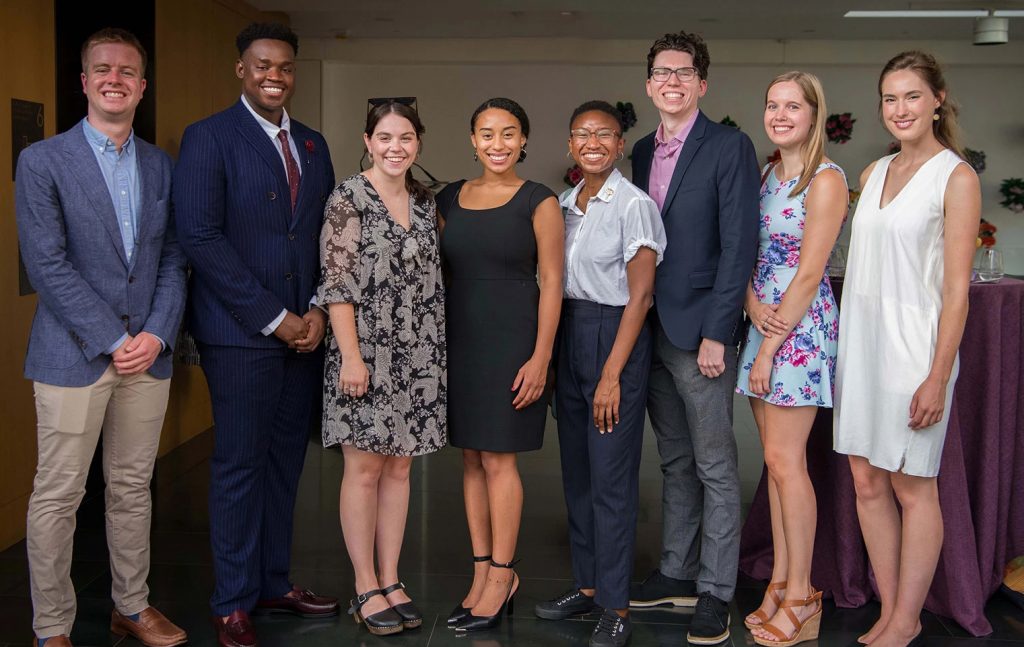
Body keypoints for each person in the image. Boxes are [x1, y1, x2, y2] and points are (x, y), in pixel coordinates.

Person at [15, 27, 187, 647]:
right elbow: (46, 264)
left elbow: (171, 257)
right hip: (72, 355)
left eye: (128, 71)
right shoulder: (41, 161)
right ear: (84, 82)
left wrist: (158, 334)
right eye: (102, 69)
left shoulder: (159, 165)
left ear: (142, 87)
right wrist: (114, 340)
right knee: (58, 494)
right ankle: (52, 627)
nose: (115, 78)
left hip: (148, 357)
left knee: (131, 487)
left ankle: (131, 606)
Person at [173, 22, 339, 647]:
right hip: (243, 335)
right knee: (240, 466)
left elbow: (326, 237)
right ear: (241, 70)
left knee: (285, 465)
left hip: (306, 334)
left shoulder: (315, 145)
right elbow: (201, 238)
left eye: (286, 67)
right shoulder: (208, 138)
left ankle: (274, 581)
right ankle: (232, 600)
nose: (276, 75)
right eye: (263, 65)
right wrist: (275, 316)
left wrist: (319, 310)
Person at [834, 51, 980, 647]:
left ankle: (908, 616)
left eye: (912, 96)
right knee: (867, 482)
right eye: (890, 98)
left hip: (915, 349)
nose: (900, 109)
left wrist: (937, 375)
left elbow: (956, 292)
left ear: (937, 100)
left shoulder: (957, 177)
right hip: (861, 343)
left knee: (911, 485)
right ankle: (896, 611)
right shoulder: (871, 173)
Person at [629, 30, 760, 645]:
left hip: (699, 330)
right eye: (662, 71)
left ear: (701, 84)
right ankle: (677, 571)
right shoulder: (636, 151)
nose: (672, 80)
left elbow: (740, 245)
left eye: (684, 72)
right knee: (675, 459)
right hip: (648, 326)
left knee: (715, 465)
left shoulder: (730, 146)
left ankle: (716, 590)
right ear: (649, 82)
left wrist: (719, 333)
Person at [534, 101, 665, 647]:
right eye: (582, 134)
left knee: (611, 478)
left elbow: (641, 298)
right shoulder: (564, 204)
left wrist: (612, 374)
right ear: (569, 145)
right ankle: (586, 586)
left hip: (614, 338)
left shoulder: (634, 205)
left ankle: (616, 604)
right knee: (578, 474)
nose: (592, 142)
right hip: (570, 333)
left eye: (604, 134)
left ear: (618, 143)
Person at [319, 101, 447, 636]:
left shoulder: (423, 201)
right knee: (364, 470)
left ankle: (393, 578)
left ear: (419, 143)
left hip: (417, 356)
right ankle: (365, 584)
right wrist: (350, 356)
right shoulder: (348, 197)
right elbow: (337, 284)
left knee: (400, 468)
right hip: (364, 355)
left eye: (407, 138)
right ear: (368, 141)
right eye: (386, 137)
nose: (397, 147)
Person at [436, 97, 564, 633]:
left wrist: (541, 357)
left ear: (524, 140)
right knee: (470, 459)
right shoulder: (447, 198)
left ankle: (505, 572)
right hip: (459, 341)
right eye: (487, 134)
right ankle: (482, 570)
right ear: (472, 139)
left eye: (508, 134)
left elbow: (554, 282)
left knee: (499, 462)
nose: (497, 144)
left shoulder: (540, 200)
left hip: (515, 342)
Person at [735, 72, 848, 647]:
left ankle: (804, 596)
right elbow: (753, 256)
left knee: (787, 461)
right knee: (775, 466)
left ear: (813, 115)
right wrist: (752, 308)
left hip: (797, 331)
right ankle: (780, 581)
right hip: (763, 321)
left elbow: (810, 271)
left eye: (792, 107)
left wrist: (772, 346)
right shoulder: (765, 174)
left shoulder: (826, 179)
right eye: (772, 105)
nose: (780, 115)